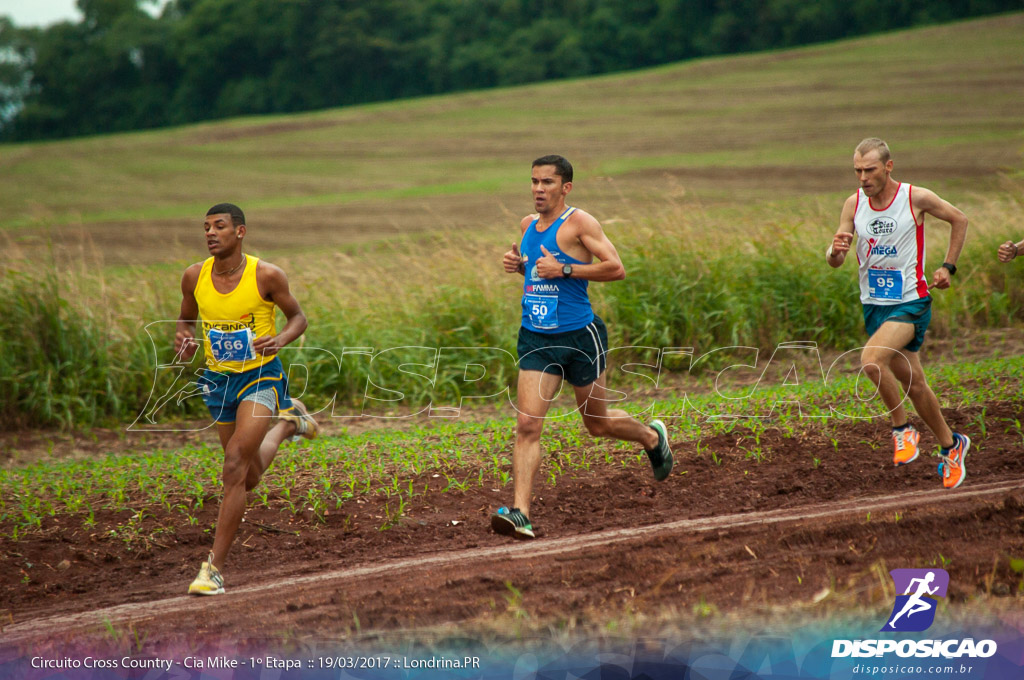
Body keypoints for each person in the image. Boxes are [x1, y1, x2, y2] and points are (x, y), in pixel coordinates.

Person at [491, 155, 673, 540]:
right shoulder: (527, 226)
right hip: (536, 339)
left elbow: (616, 268)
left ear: (566, 187)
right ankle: (521, 513)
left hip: (579, 337)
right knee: (527, 426)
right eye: (534, 182)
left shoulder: (580, 223)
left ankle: (652, 437)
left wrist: (567, 268)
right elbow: (538, 271)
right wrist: (518, 266)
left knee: (597, 424)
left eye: (547, 183)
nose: (539, 189)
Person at [174, 203, 318, 594]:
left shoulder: (266, 274)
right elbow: (185, 318)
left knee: (234, 464)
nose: (210, 233)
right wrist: (184, 335)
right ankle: (290, 423)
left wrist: (281, 339)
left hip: (261, 378)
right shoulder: (193, 276)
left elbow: (298, 318)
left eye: (219, 226)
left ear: (240, 232)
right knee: (248, 476)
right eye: (205, 227)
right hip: (218, 383)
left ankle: (213, 569)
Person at [826, 138, 970, 489]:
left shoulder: (914, 197)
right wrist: (834, 249)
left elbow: (959, 219)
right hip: (875, 304)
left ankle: (902, 430)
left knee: (872, 361)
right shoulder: (853, 203)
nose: (863, 177)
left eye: (870, 170)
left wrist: (948, 266)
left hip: (911, 301)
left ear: (888, 167)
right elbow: (835, 259)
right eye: (857, 170)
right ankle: (952, 446)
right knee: (915, 384)